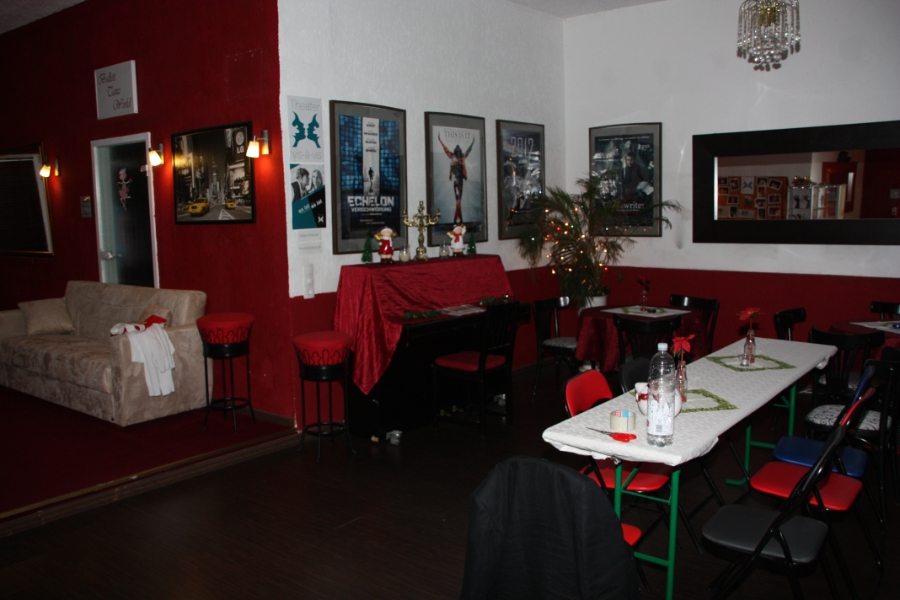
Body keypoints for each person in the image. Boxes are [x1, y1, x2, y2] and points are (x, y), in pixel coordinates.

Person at [438, 134, 475, 224]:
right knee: (458, 199)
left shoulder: (455, 156)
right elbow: (446, 149)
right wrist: (440, 141)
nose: (458, 153)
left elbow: (468, 150)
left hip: (458, 180)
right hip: (457, 180)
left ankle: (458, 219)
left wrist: (472, 143)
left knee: (458, 199)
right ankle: (458, 219)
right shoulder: (458, 157)